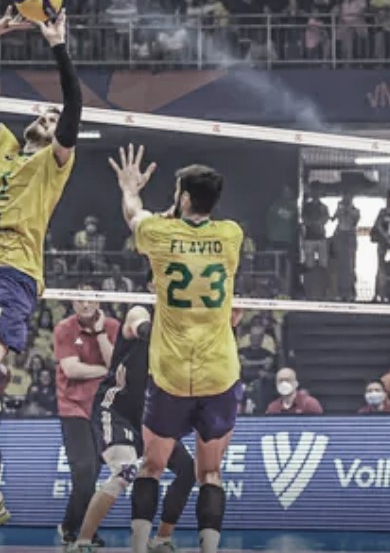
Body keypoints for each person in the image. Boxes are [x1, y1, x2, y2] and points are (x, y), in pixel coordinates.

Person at [0, 5, 81, 542]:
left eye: (54, 120)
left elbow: (74, 103)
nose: (48, 118)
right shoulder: (5, 146)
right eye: (45, 115)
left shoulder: (55, 163)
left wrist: (58, 44)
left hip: (15, 272)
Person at [107, 144, 243, 553]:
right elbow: (186, 223)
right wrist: (181, 205)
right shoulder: (231, 235)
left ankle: (139, 546)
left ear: (182, 197)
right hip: (219, 371)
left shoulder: (161, 236)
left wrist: (130, 188)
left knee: (152, 466)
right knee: (211, 473)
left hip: (170, 372)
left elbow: (135, 216)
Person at [69, 274, 200, 553]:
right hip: (116, 408)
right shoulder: (140, 310)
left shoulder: (183, 322)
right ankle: (82, 541)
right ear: (152, 286)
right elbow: (140, 327)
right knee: (126, 470)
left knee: (188, 470)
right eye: (162, 281)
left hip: (150, 415)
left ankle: (162, 539)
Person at [52, 285, 117, 544]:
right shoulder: (64, 329)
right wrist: (104, 371)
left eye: (90, 299)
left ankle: (75, 526)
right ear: (72, 303)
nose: (86, 305)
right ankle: (78, 530)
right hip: (73, 408)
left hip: (103, 410)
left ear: (98, 301)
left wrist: (100, 333)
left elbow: (116, 364)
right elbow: (71, 370)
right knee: (84, 470)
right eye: (80, 300)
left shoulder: (113, 327)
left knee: (93, 473)